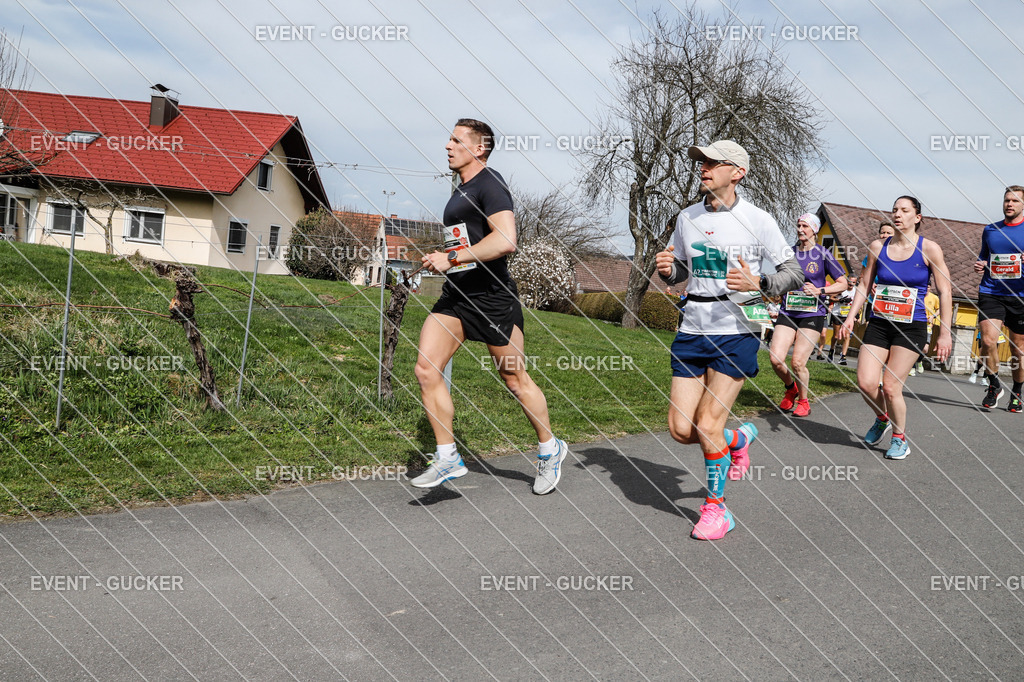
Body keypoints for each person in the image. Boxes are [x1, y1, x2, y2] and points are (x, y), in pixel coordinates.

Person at [656, 140, 803, 540]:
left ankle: (716, 509)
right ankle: (740, 439)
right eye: (701, 162)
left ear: (737, 172)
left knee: (706, 425)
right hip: (692, 326)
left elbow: (794, 272)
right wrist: (669, 270)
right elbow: (683, 272)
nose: (703, 168)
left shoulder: (758, 219)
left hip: (738, 327)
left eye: (712, 163)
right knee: (680, 430)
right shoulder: (686, 216)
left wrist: (763, 282)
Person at [412, 118, 567, 493]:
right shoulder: (459, 190)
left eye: (455, 140)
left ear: (479, 148)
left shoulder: (490, 184)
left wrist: (453, 258)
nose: (447, 146)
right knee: (426, 369)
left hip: (492, 298)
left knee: (515, 379)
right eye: (447, 139)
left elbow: (506, 241)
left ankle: (550, 449)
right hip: (457, 296)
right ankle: (448, 456)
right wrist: (445, 257)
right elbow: (465, 244)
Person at [839, 196, 952, 460]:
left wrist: (944, 333)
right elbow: (865, 286)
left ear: (917, 217)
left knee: (890, 386)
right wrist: (850, 317)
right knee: (866, 382)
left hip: (911, 326)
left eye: (905, 210)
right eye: (895, 210)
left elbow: (945, 291)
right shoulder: (878, 246)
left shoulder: (930, 249)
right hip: (880, 323)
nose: (898, 214)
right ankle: (882, 418)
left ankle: (900, 439)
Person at [769, 213, 848, 417]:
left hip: (813, 313)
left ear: (814, 229)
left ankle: (804, 401)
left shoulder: (823, 254)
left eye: (805, 225)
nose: (800, 229)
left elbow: (843, 283)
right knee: (776, 359)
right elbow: (780, 278)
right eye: (798, 225)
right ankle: (791, 389)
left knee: (797, 362)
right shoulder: (789, 253)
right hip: (789, 310)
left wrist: (820, 291)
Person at [973, 185, 1024, 411]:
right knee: (988, 340)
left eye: (1014, 201)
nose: (1009, 204)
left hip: (1020, 296)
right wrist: (980, 264)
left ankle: (1018, 392)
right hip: (991, 292)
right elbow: (984, 257)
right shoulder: (990, 230)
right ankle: (994, 385)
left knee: (1018, 350)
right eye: (1007, 200)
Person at [826, 276, 857, 365]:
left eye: (853, 283)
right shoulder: (842, 289)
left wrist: (857, 314)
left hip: (848, 316)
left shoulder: (856, 291)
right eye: (850, 282)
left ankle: (843, 357)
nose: (851, 284)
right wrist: (840, 300)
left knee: (846, 336)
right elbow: (831, 298)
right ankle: (832, 350)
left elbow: (859, 302)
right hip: (837, 314)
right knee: (836, 336)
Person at [911, 287, 940, 376]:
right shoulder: (917, 295)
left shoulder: (934, 297)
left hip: (928, 326)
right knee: (914, 346)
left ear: (930, 288)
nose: (927, 289)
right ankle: (912, 367)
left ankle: (919, 361)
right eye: (925, 287)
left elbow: (940, 309)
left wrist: (933, 316)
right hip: (915, 324)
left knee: (924, 349)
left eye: (928, 287)